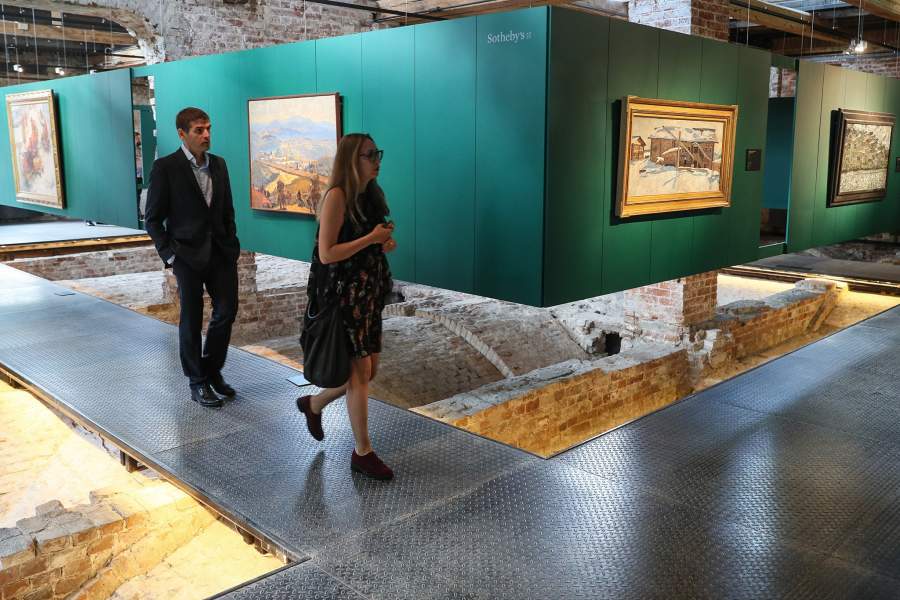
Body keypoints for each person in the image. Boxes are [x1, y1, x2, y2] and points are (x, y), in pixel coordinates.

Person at [296, 133, 397, 480]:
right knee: (359, 376)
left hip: (368, 296)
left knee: (368, 373)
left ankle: (314, 404)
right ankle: (362, 452)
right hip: (344, 300)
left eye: (377, 153)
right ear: (352, 160)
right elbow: (327, 253)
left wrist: (382, 243)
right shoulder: (337, 196)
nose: (377, 160)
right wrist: (371, 239)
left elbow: (364, 243)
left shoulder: (370, 195)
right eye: (370, 155)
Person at [145, 107, 241, 409]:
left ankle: (211, 370)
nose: (206, 135)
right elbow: (152, 219)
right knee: (191, 318)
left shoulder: (219, 164)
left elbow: (227, 210)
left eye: (208, 128)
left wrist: (232, 243)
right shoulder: (166, 167)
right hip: (185, 255)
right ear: (182, 134)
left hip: (220, 252)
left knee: (226, 311)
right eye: (199, 130)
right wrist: (170, 255)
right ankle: (197, 381)